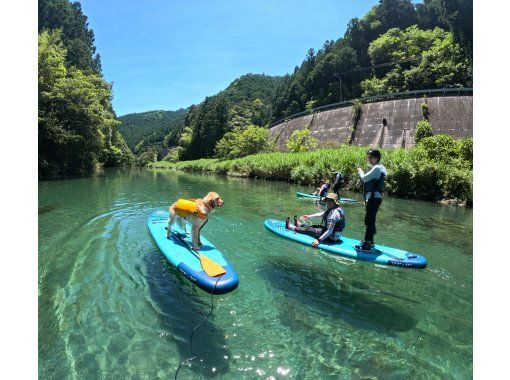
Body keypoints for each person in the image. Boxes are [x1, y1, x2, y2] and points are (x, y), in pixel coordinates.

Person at [357, 149, 387, 252]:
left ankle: (367, 243)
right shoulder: (379, 167)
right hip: (373, 198)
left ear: (377, 158)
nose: (369, 159)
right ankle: (371, 241)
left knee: (369, 221)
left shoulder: (377, 168)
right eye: (368, 157)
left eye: (371, 157)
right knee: (370, 220)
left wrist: (360, 171)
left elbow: (364, 178)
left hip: (374, 198)